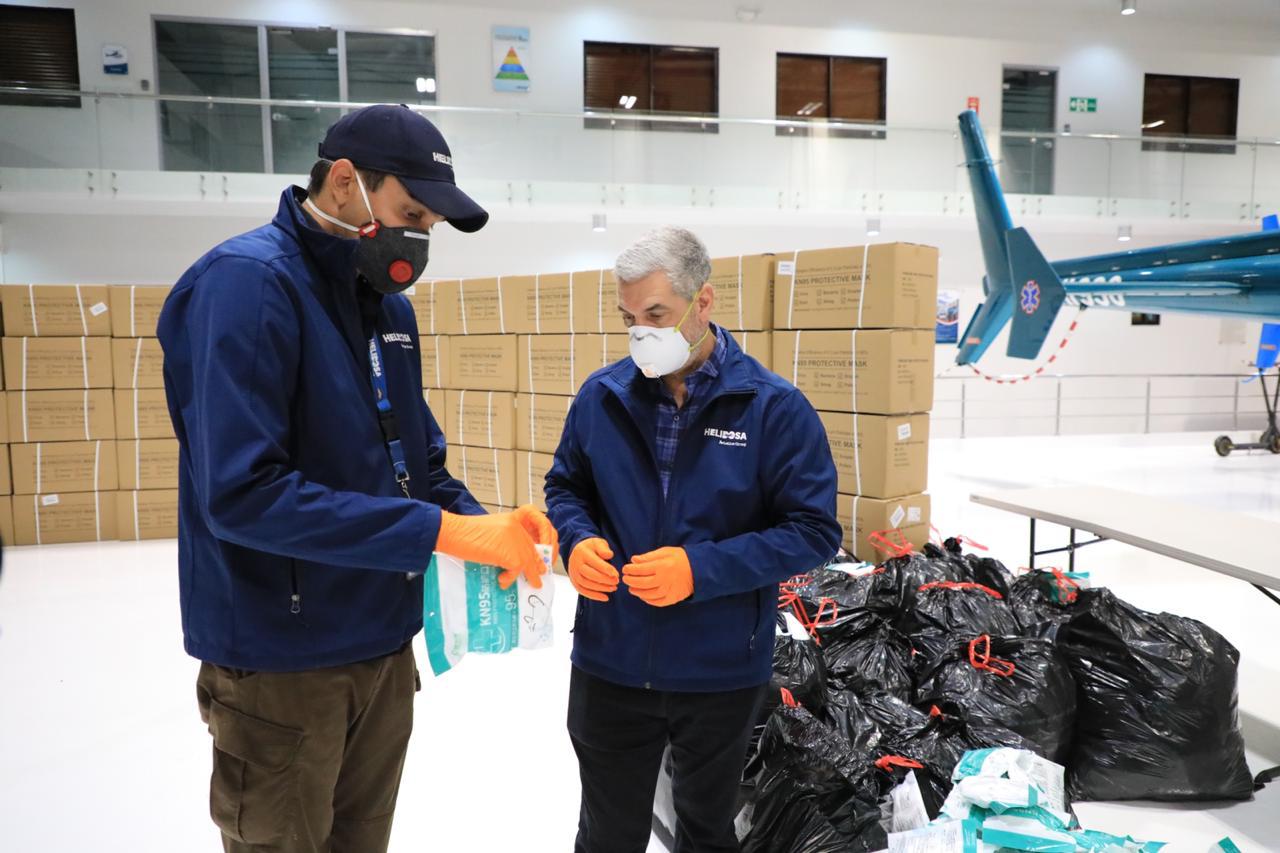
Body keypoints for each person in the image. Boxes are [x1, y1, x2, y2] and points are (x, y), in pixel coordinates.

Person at [157, 104, 556, 853]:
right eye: (410, 212)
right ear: (345, 182)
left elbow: (418, 466)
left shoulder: (386, 311)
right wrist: (441, 530)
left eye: (429, 224)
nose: (418, 236)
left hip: (382, 648)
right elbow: (243, 493)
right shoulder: (248, 287)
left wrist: (489, 529)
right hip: (284, 662)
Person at [545, 226, 842, 852]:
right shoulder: (601, 397)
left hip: (720, 668)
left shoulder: (773, 409)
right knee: (606, 833)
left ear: (703, 302)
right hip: (611, 659)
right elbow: (566, 486)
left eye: (656, 314)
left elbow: (813, 530)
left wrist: (700, 570)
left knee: (707, 832)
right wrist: (576, 539)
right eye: (629, 317)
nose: (640, 332)